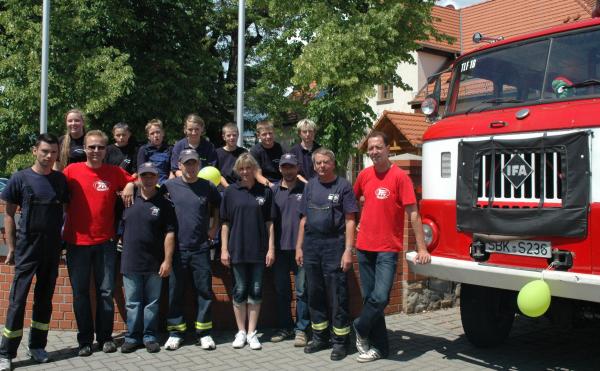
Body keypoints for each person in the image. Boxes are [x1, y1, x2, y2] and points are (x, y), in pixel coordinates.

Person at [352, 131, 431, 362]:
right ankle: (380, 348)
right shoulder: (364, 175)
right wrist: (357, 222)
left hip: (387, 247)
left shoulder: (400, 177)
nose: (374, 152)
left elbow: (413, 213)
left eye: (378, 147)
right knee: (370, 300)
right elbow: (353, 200)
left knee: (381, 297)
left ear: (388, 149)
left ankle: (359, 326)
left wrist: (422, 248)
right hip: (364, 247)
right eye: (371, 148)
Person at [62, 130, 135, 357]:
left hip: (106, 243)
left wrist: (131, 184)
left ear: (106, 150)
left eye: (100, 147)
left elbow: (138, 177)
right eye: (91, 147)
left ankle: (105, 338)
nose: (95, 151)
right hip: (77, 243)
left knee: (105, 293)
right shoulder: (71, 171)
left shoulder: (113, 172)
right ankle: (84, 340)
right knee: (80, 294)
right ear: (85, 148)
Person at [0, 134, 69, 370]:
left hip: (51, 250)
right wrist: (11, 247)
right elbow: (9, 215)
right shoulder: (19, 178)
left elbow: (67, 213)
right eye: (44, 151)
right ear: (34, 151)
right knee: (17, 301)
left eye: (53, 152)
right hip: (27, 248)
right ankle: (6, 353)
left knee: (44, 301)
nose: (49, 156)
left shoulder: (60, 181)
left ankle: (38, 346)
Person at [295, 148, 358, 361]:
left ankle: (341, 342)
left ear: (333, 163)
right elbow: (303, 219)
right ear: (313, 166)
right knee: (315, 293)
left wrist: (348, 251)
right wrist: (299, 247)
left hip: (335, 245)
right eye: (318, 163)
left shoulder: (343, 186)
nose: (322, 166)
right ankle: (320, 337)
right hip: (312, 246)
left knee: (337, 295)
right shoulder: (310, 186)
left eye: (326, 162)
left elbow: (350, 220)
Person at [162, 149, 221, 351]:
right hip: (177, 249)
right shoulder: (169, 186)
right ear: (180, 165)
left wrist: (214, 227)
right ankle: (175, 333)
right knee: (175, 292)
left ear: (199, 165)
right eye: (187, 163)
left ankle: (203, 333)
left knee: (204, 291)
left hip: (200, 249)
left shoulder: (208, 186)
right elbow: (147, 191)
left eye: (194, 163)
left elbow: (217, 207)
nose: (190, 167)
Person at [220, 153, 275, 350]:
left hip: (259, 250)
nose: (245, 172)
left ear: (254, 169)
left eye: (248, 168)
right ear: (237, 170)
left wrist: (271, 248)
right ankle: (241, 332)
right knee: (240, 290)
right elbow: (224, 223)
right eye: (241, 169)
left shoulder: (265, 191)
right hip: (237, 249)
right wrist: (224, 249)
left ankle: (252, 332)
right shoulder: (231, 192)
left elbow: (270, 223)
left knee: (256, 291)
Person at [120, 162, 176, 354]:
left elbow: (170, 233)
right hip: (130, 261)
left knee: (152, 303)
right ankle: (132, 337)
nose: (148, 179)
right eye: (144, 175)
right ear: (138, 178)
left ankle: (149, 336)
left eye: (152, 175)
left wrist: (167, 260)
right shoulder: (127, 200)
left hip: (155, 263)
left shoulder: (165, 204)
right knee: (133, 302)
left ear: (157, 178)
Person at [270, 153, 310, 347]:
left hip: (301, 250)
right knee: (281, 291)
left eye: (291, 167)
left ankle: (302, 330)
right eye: (285, 167)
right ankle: (285, 327)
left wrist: (301, 247)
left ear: (297, 168)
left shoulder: (307, 189)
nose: (288, 170)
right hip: (279, 250)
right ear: (280, 169)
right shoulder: (273, 191)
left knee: (303, 291)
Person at [137, 119, 173, 185]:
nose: (155, 135)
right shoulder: (143, 149)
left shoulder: (170, 149)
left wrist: (168, 186)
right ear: (148, 136)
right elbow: (140, 172)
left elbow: (172, 171)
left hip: (166, 184)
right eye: (152, 133)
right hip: (149, 184)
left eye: (158, 132)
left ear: (163, 133)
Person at [249, 120, 283, 187]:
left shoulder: (280, 148)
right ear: (258, 136)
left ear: (274, 133)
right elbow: (257, 175)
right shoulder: (254, 151)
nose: (268, 136)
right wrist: (273, 186)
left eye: (270, 133)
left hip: (280, 183)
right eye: (264, 134)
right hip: (262, 185)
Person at [215, 122, 247, 189]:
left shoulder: (244, 152)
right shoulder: (217, 153)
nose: (232, 137)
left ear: (238, 135)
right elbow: (216, 173)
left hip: (240, 187)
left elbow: (246, 172)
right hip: (223, 188)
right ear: (224, 137)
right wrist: (227, 186)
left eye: (234, 135)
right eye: (228, 135)